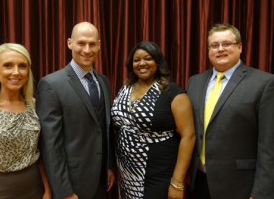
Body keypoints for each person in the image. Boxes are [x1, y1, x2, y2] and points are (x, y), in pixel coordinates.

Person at [187, 23, 274, 199]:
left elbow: (269, 145)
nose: (220, 49)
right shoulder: (194, 82)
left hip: (240, 186)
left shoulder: (264, 83)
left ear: (240, 47)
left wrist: (261, 193)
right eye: (214, 45)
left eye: (227, 44)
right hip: (199, 182)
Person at [36, 22, 115, 199]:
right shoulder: (51, 84)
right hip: (72, 183)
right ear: (70, 43)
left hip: (101, 182)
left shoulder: (103, 81)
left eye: (92, 44)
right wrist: (64, 191)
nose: (87, 50)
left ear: (99, 45)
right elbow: (51, 144)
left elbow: (104, 128)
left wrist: (109, 166)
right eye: (81, 43)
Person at [111, 41, 196, 199]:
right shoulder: (125, 88)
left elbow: (188, 136)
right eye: (136, 60)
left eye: (148, 58)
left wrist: (177, 182)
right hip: (126, 174)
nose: (142, 63)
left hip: (158, 174)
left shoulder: (173, 93)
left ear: (157, 62)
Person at [0, 43, 51, 199]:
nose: (16, 72)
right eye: (8, 66)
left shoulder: (35, 105)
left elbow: (41, 154)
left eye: (22, 66)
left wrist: (47, 191)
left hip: (35, 190)